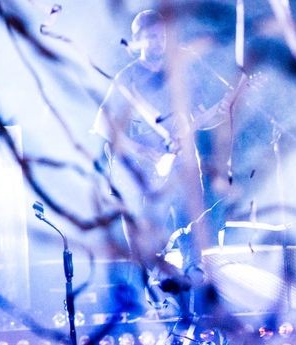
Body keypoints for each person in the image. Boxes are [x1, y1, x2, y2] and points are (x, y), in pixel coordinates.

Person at [92, 8, 244, 315]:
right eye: (150, 37)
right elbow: (104, 127)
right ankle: (151, 302)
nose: (157, 42)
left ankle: (193, 305)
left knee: (193, 234)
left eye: (161, 36)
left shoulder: (183, 73)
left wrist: (225, 109)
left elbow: (200, 120)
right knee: (151, 240)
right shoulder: (128, 78)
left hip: (184, 170)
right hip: (146, 176)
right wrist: (144, 153)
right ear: (137, 41)